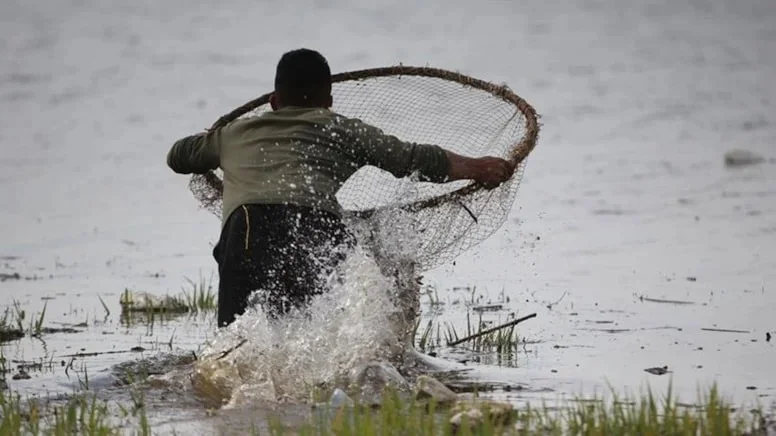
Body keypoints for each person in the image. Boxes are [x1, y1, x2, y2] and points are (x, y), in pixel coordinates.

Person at [167, 48, 516, 328]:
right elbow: (413, 159)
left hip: (246, 228)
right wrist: (477, 168)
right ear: (329, 101)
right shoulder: (342, 128)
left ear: (273, 101)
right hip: (315, 227)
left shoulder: (233, 134)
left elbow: (178, 156)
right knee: (313, 331)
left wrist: (209, 137)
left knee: (233, 339)